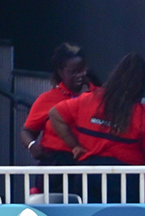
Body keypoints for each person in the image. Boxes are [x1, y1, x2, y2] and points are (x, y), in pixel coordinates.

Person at [49, 53, 145, 202]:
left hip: (86, 175)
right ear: (141, 84)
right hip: (124, 180)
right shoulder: (143, 114)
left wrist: (75, 146)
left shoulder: (88, 100)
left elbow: (55, 114)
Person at [21, 43, 98, 197]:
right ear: (61, 72)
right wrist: (32, 146)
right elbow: (26, 131)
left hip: (89, 164)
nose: (80, 75)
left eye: (82, 69)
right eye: (73, 72)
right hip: (56, 166)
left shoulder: (99, 95)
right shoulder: (47, 99)